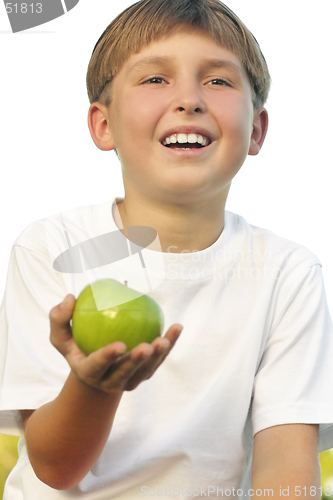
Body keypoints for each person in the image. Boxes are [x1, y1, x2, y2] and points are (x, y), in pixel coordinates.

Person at [1, 0, 333, 498]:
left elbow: (285, 465)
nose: (189, 99)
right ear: (103, 125)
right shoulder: (52, 246)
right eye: (155, 79)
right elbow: (56, 468)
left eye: (218, 81)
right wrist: (96, 385)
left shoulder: (289, 272)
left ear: (257, 130)